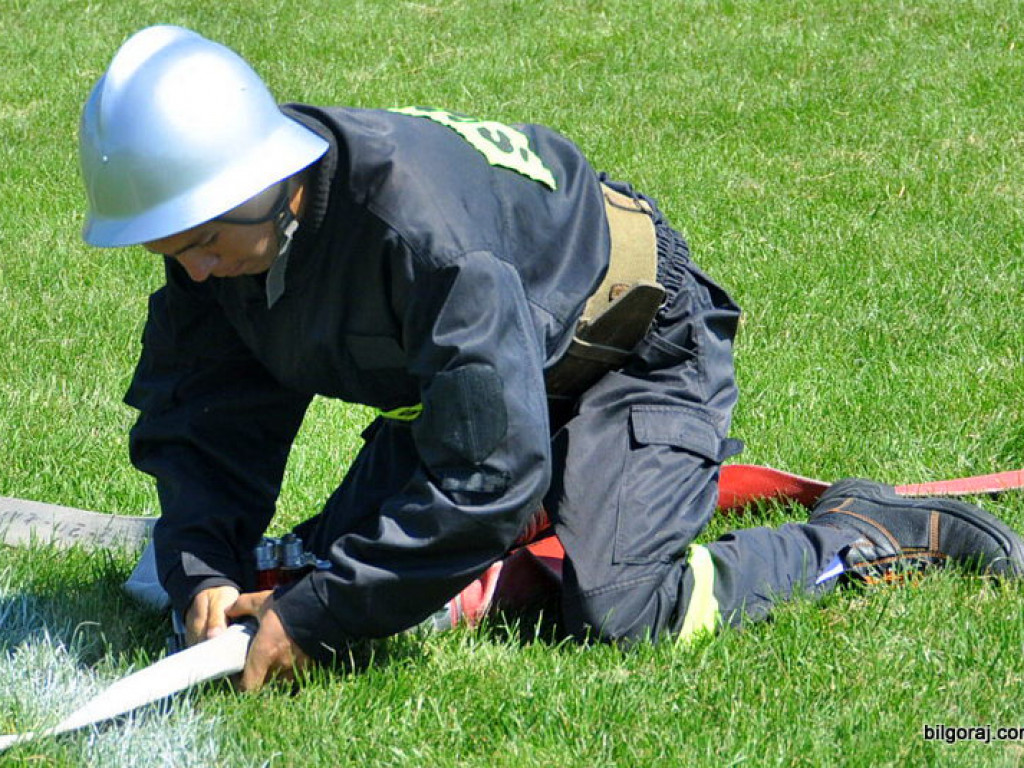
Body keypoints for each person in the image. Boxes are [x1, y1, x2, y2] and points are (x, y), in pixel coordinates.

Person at [79, 26, 1024, 691]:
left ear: (269, 188)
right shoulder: (229, 234)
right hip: (507, 371)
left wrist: (320, 615)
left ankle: (872, 533)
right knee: (321, 574)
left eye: (200, 242)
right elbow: (203, 416)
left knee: (622, 609)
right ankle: (553, 511)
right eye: (170, 251)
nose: (193, 273)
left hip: (636, 352)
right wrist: (203, 567)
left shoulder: (419, 234)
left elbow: (489, 470)